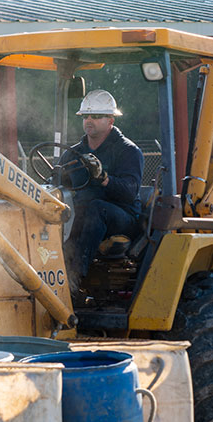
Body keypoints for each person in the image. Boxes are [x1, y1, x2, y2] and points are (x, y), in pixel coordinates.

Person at [60, 89, 144, 298]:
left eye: (96, 116)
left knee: (95, 208)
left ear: (110, 120)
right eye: (86, 116)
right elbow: (58, 184)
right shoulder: (73, 154)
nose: (89, 120)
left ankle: (76, 277)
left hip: (121, 217)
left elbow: (129, 192)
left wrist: (104, 178)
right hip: (81, 214)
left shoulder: (128, 151)